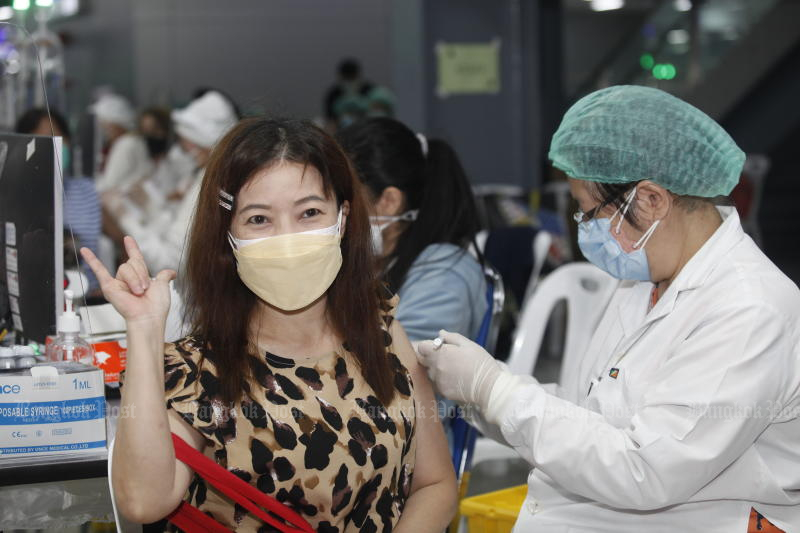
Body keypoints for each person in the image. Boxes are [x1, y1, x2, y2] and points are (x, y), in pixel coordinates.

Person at [417, 85, 800, 532]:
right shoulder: (643, 279)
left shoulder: (749, 308)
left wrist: (496, 391)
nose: (583, 229)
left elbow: (646, 470)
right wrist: (476, 392)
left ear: (651, 200)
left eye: (589, 211)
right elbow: (593, 416)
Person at [81, 116, 456, 531]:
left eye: (309, 212)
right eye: (259, 219)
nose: (287, 239)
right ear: (229, 234)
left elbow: (434, 483)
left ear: (343, 217)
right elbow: (141, 501)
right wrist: (144, 328)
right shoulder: (199, 371)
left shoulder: (381, 331)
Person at [337, 117, 487, 344]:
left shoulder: (444, 273)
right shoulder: (379, 263)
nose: (337, 212)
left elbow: (404, 368)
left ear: (389, 201)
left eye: (344, 199)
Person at [123, 91, 238, 274]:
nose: (181, 150)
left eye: (185, 144)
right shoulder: (204, 177)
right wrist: (151, 207)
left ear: (199, 144)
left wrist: (126, 220)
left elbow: (171, 263)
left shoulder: (209, 186)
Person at [15, 108, 102, 293]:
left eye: (59, 139)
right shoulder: (13, 195)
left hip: (88, 296)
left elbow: (123, 241)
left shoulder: (86, 190)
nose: (54, 147)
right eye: (44, 141)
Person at [90, 93, 152, 194]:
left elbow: (111, 183)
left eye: (105, 124)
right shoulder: (132, 141)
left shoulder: (126, 144)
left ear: (116, 124)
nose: (104, 130)